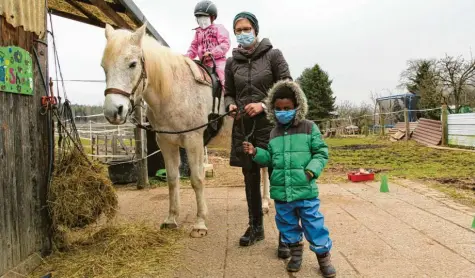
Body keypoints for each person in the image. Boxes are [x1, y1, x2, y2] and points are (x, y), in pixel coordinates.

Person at [242, 80, 336, 277]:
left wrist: (311, 171)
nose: (282, 111)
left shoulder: (309, 128)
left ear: (297, 107)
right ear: (272, 110)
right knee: (286, 225)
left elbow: (321, 153)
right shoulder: (274, 133)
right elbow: (271, 159)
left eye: (287, 108)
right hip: (282, 192)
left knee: (314, 225)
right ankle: (295, 254)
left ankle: (323, 257)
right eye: (278, 108)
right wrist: (256, 152)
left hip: (305, 191)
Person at [224, 11, 292, 247]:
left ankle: (286, 234)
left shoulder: (273, 56)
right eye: (238, 30)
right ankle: (255, 227)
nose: (242, 33)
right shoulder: (231, 62)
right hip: (244, 127)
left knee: (278, 178)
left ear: (255, 30)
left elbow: (287, 87)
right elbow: (229, 92)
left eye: (246, 29)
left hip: (272, 127)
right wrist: (230, 104)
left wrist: (263, 105)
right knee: (250, 178)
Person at [185, 0, 230, 89]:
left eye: (204, 17)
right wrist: (187, 57)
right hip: (203, 63)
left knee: (223, 77)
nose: (201, 20)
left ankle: (227, 97)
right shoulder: (198, 32)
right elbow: (193, 47)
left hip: (217, 62)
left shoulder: (219, 28)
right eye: (199, 17)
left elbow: (225, 44)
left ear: (212, 17)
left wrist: (212, 53)